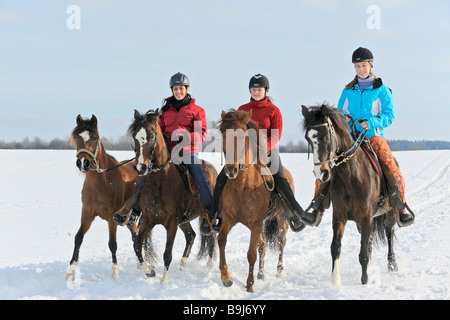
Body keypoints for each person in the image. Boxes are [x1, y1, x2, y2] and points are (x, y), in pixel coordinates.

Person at [301, 47, 414, 227]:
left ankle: (400, 207)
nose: (360, 69)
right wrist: (343, 119)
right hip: (349, 138)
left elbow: (389, 116)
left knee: (389, 163)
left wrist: (370, 123)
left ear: (370, 66)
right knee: (326, 162)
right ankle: (317, 208)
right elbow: (338, 114)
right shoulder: (348, 91)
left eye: (363, 65)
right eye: (357, 66)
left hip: (373, 137)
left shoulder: (382, 90)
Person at [203, 73, 305, 234]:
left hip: (268, 153)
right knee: (222, 179)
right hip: (243, 155)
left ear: (266, 91)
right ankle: (217, 216)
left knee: (281, 179)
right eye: (253, 89)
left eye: (260, 89)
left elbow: (276, 135)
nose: (256, 92)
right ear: (250, 91)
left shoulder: (273, 110)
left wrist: (263, 149)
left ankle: (295, 215)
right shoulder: (242, 110)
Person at [113, 72, 213, 226]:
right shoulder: (165, 111)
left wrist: (185, 138)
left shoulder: (197, 111)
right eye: (175, 89)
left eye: (181, 88)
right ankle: (131, 210)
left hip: (187, 152)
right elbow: (159, 132)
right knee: (144, 176)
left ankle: (210, 214)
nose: (178, 92)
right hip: (167, 153)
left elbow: (202, 134)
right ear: (172, 90)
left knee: (201, 178)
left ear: (187, 89)